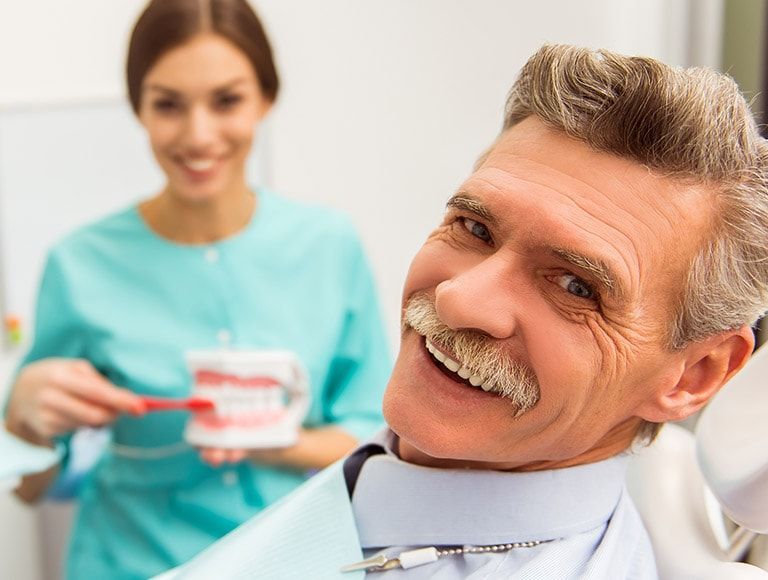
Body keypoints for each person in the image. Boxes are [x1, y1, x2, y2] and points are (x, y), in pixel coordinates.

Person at [157, 44, 768, 579]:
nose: (458, 299)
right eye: (474, 227)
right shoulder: (392, 490)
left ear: (696, 374)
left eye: (575, 287)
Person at [3, 0, 390, 578]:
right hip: (128, 564)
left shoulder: (329, 245)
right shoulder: (80, 263)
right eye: (168, 105)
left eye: (227, 100)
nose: (198, 134)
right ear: (139, 108)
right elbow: (33, 489)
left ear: (266, 97)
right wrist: (22, 422)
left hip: (293, 561)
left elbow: (374, 444)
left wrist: (267, 441)